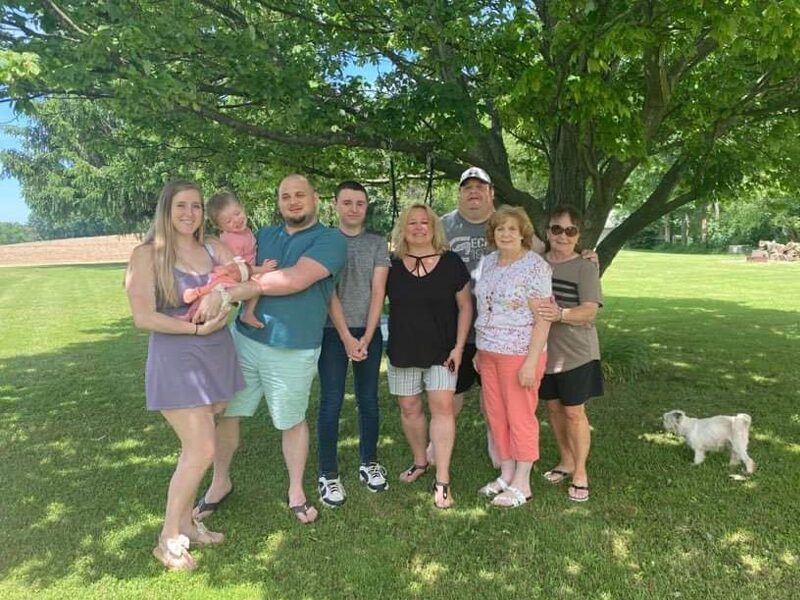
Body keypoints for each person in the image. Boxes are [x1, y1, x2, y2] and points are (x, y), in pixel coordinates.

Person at [192, 174, 347, 524]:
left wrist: (231, 292)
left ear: (315, 197)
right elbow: (230, 260)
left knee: (291, 420)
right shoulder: (262, 236)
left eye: (300, 194)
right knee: (228, 414)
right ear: (278, 202)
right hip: (244, 340)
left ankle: (296, 491)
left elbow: (294, 280)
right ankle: (219, 482)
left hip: (293, 348)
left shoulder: (330, 240)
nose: (293, 201)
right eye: (285, 196)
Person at [125, 180, 244, 570]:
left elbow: (246, 280)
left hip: (216, 353)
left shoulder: (212, 247)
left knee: (199, 447)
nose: (189, 213)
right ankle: (168, 538)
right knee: (202, 449)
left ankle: (189, 525)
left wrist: (223, 295)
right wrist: (195, 329)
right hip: (178, 359)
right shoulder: (147, 255)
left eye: (196, 206)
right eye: (181, 205)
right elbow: (143, 317)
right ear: (166, 209)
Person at [440, 167, 544, 467]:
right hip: (454, 327)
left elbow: (542, 252)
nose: (473, 192)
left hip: (500, 333)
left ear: (491, 192)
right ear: (460, 193)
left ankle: (497, 444)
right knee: (450, 392)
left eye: (480, 187)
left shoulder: (506, 223)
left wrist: (583, 255)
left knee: (494, 400)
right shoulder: (443, 225)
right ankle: (439, 441)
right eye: (467, 187)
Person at [386, 203, 472, 509]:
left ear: (434, 227)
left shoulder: (451, 262)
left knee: (443, 408)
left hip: (443, 351)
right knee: (409, 408)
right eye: (412, 223)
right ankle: (420, 461)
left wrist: (459, 348)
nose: (419, 228)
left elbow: (465, 306)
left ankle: (443, 479)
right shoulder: (391, 265)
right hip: (403, 349)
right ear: (403, 228)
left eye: (425, 222)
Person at [316, 181, 391, 507]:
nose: (354, 209)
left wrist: (368, 335)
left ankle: (369, 462)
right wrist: (347, 337)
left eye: (360, 203)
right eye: (347, 202)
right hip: (332, 332)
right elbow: (328, 291)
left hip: (368, 331)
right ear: (335, 204)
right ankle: (328, 473)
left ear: (366, 206)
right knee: (331, 402)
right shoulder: (325, 241)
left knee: (368, 400)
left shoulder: (377, 243)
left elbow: (379, 291)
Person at [473, 205, 552, 508]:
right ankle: (506, 473)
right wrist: (479, 350)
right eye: (500, 228)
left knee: (520, 417)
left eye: (512, 229)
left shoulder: (535, 267)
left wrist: (531, 362)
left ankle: (523, 482)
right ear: (493, 233)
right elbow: (486, 307)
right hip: (488, 352)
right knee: (496, 415)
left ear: (523, 233)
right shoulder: (489, 262)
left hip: (520, 354)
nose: (505, 234)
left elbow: (543, 318)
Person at [534, 206, 604, 503]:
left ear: (578, 235)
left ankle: (580, 472)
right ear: (547, 232)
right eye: (556, 229)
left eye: (570, 230)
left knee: (574, 412)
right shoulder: (536, 263)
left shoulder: (585, 267)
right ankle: (565, 461)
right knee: (553, 409)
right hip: (544, 353)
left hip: (577, 353)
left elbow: (589, 311)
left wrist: (559, 314)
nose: (562, 236)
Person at [205, 191, 277, 328]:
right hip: (235, 274)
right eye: (229, 221)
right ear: (220, 227)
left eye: (237, 213)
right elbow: (239, 268)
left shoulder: (244, 231)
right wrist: (262, 269)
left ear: (243, 208)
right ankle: (247, 314)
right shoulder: (231, 240)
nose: (236, 220)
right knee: (257, 284)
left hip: (244, 270)